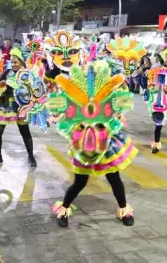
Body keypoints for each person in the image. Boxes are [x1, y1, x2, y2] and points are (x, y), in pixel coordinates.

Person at [49, 60, 137, 228]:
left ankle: (124, 209)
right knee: (80, 181)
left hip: (107, 142)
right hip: (84, 143)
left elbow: (122, 104)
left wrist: (118, 114)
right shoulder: (74, 99)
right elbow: (57, 108)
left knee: (114, 178)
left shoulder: (108, 97)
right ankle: (64, 209)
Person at [0, 46, 42, 168]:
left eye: (15, 62)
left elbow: (35, 91)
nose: (13, 64)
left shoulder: (28, 75)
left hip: (20, 107)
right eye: (12, 62)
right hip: (4, 106)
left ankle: (30, 156)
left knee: (25, 132)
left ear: (22, 62)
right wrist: (1, 85)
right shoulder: (7, 73)